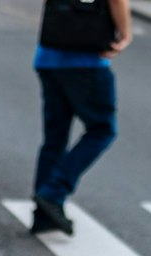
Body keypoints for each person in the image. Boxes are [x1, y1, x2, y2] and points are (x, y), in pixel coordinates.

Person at [30, 0, 132, 237]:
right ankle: (53, 193)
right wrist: (125, 34)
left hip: (48, 56)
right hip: (87, 60)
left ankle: (43, 215)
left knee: (54, 138)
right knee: (102, 130)